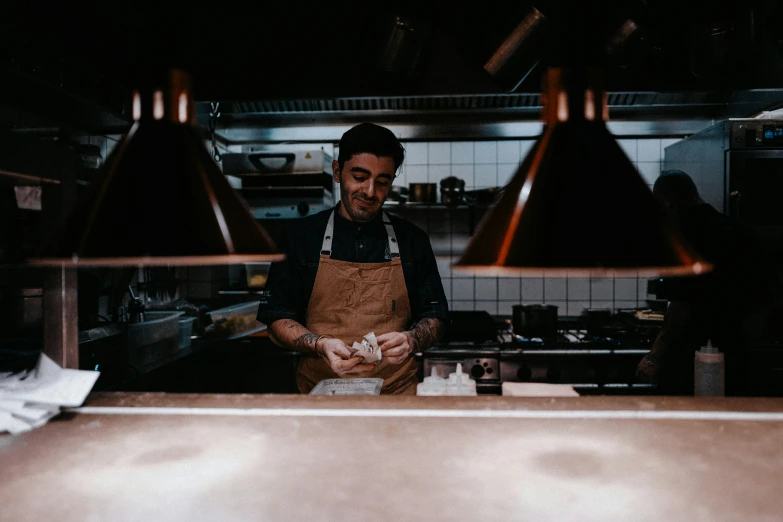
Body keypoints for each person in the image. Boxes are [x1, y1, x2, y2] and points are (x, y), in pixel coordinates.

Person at [257, 122, 448, 395]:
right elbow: (276, 321)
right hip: (321, 397)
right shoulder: (302, 237)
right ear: (337, 172)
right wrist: (319, 344)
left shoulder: (412, 240)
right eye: (359, 177)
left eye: (382, 182)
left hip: (395, 396)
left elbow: (435, 317)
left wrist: (412, 339)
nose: (370, 192)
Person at [636, 169, 776, 396]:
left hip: (690, 355)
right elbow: (766, 295)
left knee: (684, 424)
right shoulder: (740, 232)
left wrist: (654, 358)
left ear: (668, 203)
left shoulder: (684, 240)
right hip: (734, 351)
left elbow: (682, 306)